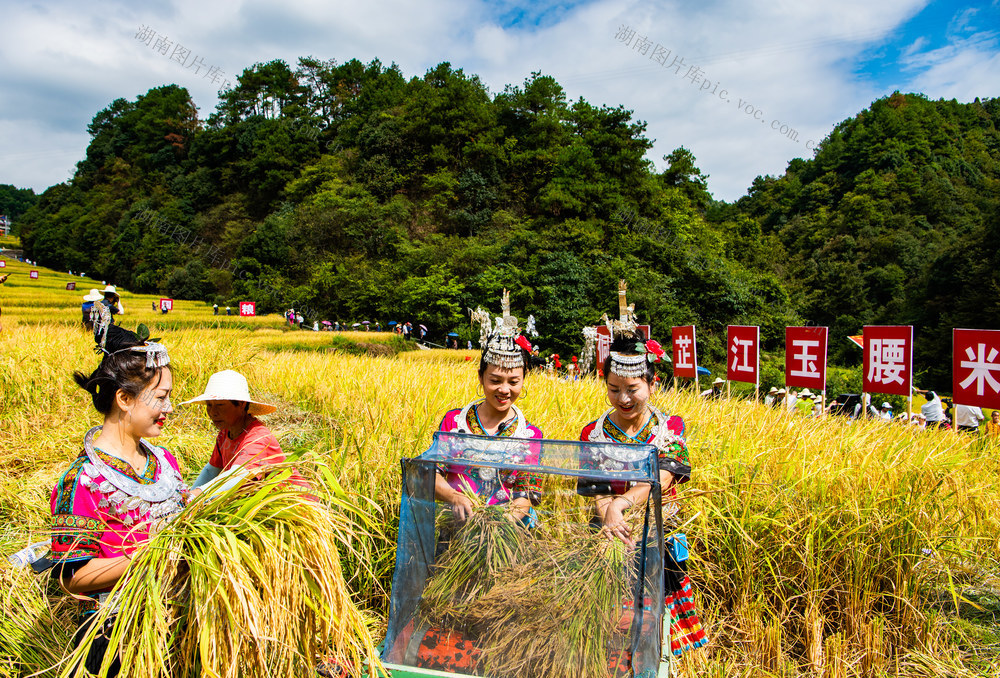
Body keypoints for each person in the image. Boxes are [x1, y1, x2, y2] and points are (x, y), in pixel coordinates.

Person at [49, 321, 184, 676]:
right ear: (124, 399)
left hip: (178, 622)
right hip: (116, 639)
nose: (168, 407)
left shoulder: (164, 460)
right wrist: (154, 553)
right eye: (160, 397)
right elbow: (71, 578)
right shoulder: (83, 481)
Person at [578, 329, 707, 657]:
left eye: (633, 389)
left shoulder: (670, 428)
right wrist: (610, 517)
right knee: (609, 628)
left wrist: (620, 504)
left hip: (659, 539)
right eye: (614, 389)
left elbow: (661, 479)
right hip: (611, 538)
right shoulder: (592, 433)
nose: (623, 399)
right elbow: (596, 487)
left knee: (657, 627)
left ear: (653, 384)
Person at [435, 292, 543, 524]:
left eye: (513, 382)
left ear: (524, 381)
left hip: (506, 531)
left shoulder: (530, 435)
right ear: (480, 377)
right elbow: (432, 474)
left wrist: (499, 521)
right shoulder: (455, 423)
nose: (504, 390)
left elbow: (526, 495)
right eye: (495, 380)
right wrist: (453, 497)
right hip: (457, 528)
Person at [181, 370, 288, 493]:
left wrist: (197, 494)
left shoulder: (258, 437)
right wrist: (187, 500)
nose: (212, 412)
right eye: (209, 405)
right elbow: (211, 471)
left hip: (294, 507)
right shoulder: (224, 434)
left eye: (220, 405)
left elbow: (238, 475)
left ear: (241, 404)